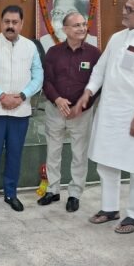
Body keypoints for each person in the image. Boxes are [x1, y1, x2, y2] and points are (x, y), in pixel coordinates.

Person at [80, 0, 134, 234]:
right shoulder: (117, 38)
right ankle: (109, 209)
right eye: (125, 7)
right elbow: (100, 69)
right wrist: (89, 91)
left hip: (133, 114)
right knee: (106, 163)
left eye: (130, 9)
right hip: (109, 112)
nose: (124, 12)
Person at [0, 5, 43, 213]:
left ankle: (10, 194)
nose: (10, 26)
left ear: (21, 24)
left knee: (15, 153)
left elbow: (38, 76)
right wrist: (2, 96)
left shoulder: (31, 47)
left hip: (20, 111)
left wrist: (22, 96)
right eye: (7, 22)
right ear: (1, 23)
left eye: (15, 22)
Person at [38, 12, 101, 212]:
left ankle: (75, 193)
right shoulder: (53, 52)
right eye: (76, 25)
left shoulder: (94, 54)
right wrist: (57, 99)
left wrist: (81, 107)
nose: (82, 28)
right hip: (55, 110)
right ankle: (53, 189)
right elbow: (46, 80)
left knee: (79, 154)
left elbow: (97, 84)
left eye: (83, 24)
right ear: (65, 29)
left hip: (81, 113)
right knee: (53, 151)